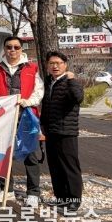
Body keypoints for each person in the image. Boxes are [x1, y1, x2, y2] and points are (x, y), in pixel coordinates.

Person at [0, 36, 44, 208]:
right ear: (4, 49)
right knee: (4, 155)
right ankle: (7, 189)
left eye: (16, 47)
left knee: (30, 155)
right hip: (4, 118)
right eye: (9, 47)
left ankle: (33, 193)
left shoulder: (31, 68)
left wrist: (28, 102)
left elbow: (39, 91)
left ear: (21, 49)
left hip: (26, 117)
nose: (12, 50)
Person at [41, 51, 84, 213]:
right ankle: (61, 198)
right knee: (55, 166)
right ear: (47, 66)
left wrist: (71, 80)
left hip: (67, 131)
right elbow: (45, 107)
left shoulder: (71, 82)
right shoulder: (48, 82)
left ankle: (74, 200)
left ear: (65, 65)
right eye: (52, 63)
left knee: (70, 166)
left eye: (58, 63)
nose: (55, 66)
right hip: (51, 131)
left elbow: (78, 98)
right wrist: (42, 127)